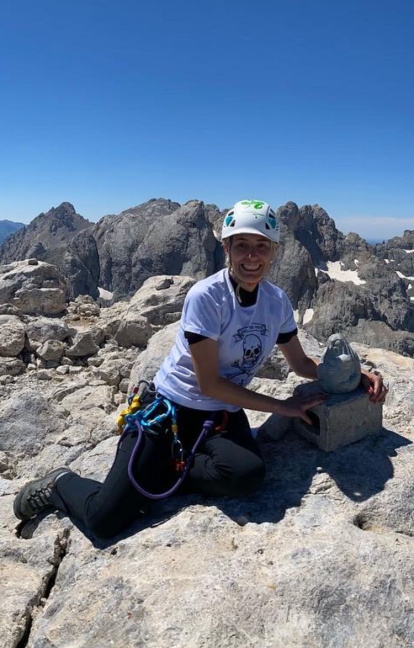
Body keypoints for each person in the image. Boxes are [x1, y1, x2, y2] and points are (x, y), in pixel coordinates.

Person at [13, 200, 387, 538]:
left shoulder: (276, 301)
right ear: (226, 248)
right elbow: (209, 384)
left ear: (273, 252)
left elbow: (302, 363)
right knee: (104, 520)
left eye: (261, 246)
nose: (252, 256)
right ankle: (61, 483)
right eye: (241, 245)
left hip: (223, 415)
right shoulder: (207, 296)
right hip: (172, 410)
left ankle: (158, 473)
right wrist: (283, 407)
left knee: (246, 476)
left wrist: (352, 374)